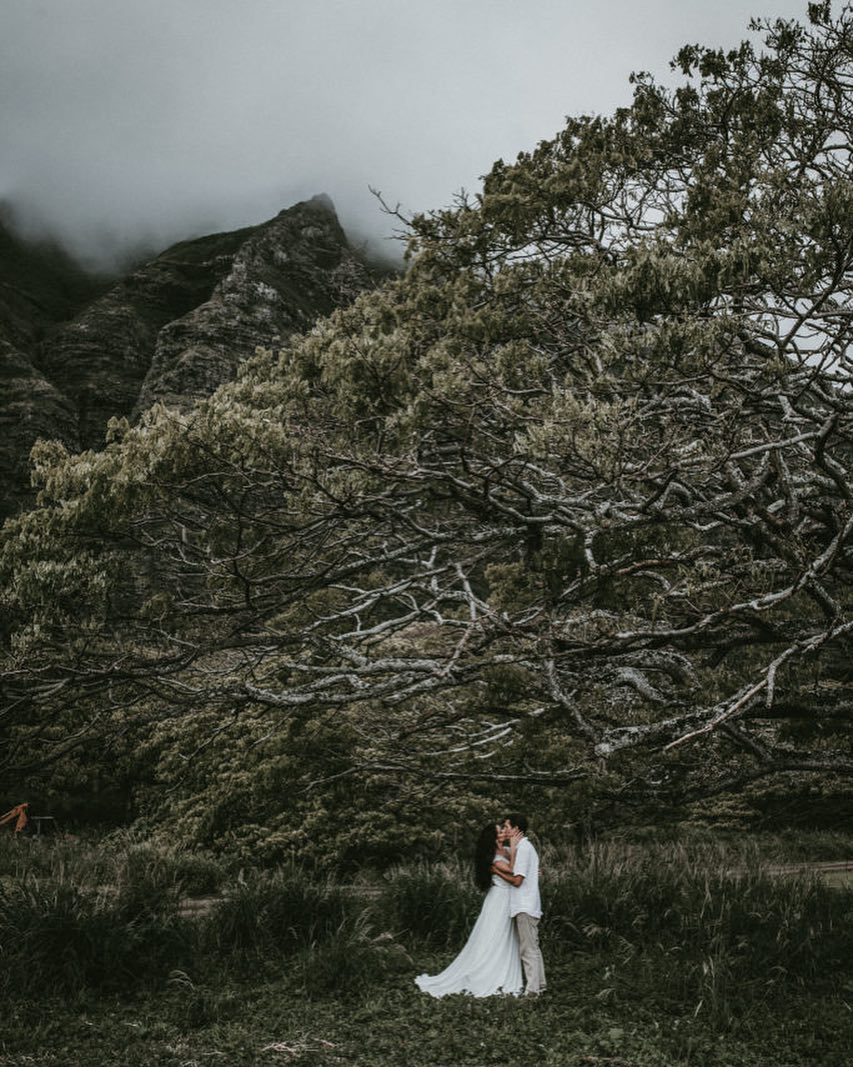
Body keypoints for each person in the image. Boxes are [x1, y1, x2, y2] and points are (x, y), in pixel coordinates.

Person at [414, 823, 523, 998]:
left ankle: (502, 966)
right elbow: (512, 869)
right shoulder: (494, 856)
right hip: (499, 900)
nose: (504, 831)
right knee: (494, 936)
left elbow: (520, 868)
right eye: (500, 831)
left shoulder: (505, 851)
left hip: (508, 899)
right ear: (493, 837)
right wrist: (514, 846)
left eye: (503, 829)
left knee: (505, 936)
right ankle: (487, 972)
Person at [495, 813, 546, 996]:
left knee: (528, 949)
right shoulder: (525, 847)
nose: (505, 830)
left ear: (516, 828)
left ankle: (532, 991)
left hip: (525, 905)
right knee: (533, 946)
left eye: (507, 826)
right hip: (527, 904)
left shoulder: (523, 848)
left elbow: (517, 880)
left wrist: (498, 874)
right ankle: (540, 985)